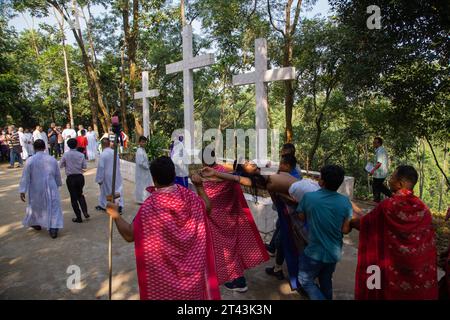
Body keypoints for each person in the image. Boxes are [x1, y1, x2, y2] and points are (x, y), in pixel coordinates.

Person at [105, 156, 221, 300]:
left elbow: (129, 235)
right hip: (193, 281)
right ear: (174, 174)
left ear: (154, 179)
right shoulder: (190, 198)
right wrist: (199, 186)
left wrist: (115, 214)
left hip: (163, 285)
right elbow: (207, 208)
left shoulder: (149, 207)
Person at [351, 165, 438, 300]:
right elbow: (428, 244)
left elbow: (365, 224)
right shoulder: (424, 209)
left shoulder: (388, 206)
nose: (389, 180)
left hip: (392, 275)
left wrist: (350, 222)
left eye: (392, 177)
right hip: (416, 274)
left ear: (400, 183)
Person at [199, 149, 269, 292]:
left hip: (216, 220)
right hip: (232, 216)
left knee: (226, 251)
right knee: (232, 247)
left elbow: (206, 202)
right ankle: (233, 276)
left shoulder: (207, 177)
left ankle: (239, 281)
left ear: (203, 160)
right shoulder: (225, 173)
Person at [296, 165, 353, 300]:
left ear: (322, 181)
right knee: (326, 280)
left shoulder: (309, 197)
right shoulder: (345, 202)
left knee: (305, 280)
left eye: (320, 177)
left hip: (314, 252)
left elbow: (301, 217)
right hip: (334, 253)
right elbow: (345, 230)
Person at [19, 139, 63, 239]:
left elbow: (25, 176)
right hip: (50, 187)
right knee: (53, 207)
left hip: (36, 188)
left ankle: (36, 222)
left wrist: (22, 190)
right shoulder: (51, 159)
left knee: (36, 206)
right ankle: (53, 229)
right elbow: (57, 174)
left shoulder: (30, 160)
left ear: (34, 148)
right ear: (44, 147)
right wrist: (58, 184)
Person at [60, 138, 89, 223]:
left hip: (71, 178)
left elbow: (60, 165)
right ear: (76, 145)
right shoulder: (81, 155)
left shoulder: (66, 155)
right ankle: (85, 211)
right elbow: (84, 166)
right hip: (80, 177)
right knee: (80, 194)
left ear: (68, 146)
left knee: (73, 198)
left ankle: (78, 217)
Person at [95, 138, 123, 212]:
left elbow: (101, 168)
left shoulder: (103, 154)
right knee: (117, 190)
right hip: (116, 174)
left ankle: (110, 206)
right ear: (108, 144)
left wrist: (99, 179)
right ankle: (118, 205)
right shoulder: (114, 152)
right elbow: (118, 164)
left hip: (106, 176)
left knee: (107, 191)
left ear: (102, 145)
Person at [370, 137, 392, 202]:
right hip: (380, 173)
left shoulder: (380, 151)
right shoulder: (380, 150)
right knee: (378, 186)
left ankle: (377, 200)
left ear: (379, 143)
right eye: (373, 142)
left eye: (374, 142)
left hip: (380, 173)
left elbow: (379, 163)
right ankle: (378, 200)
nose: (373, 144)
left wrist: (372, 170)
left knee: (376, 186)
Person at [135, 136, 153, 204]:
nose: (144, 143)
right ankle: (141, 200)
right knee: (142, 185)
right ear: (139, 142)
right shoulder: (139, 151)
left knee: (144, 185)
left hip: (144, 172)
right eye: (142, 142)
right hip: (142, 172)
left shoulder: (143, 150)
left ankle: (144, 199)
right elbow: (141, 163)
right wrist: (148, 166)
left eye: (145, 142)